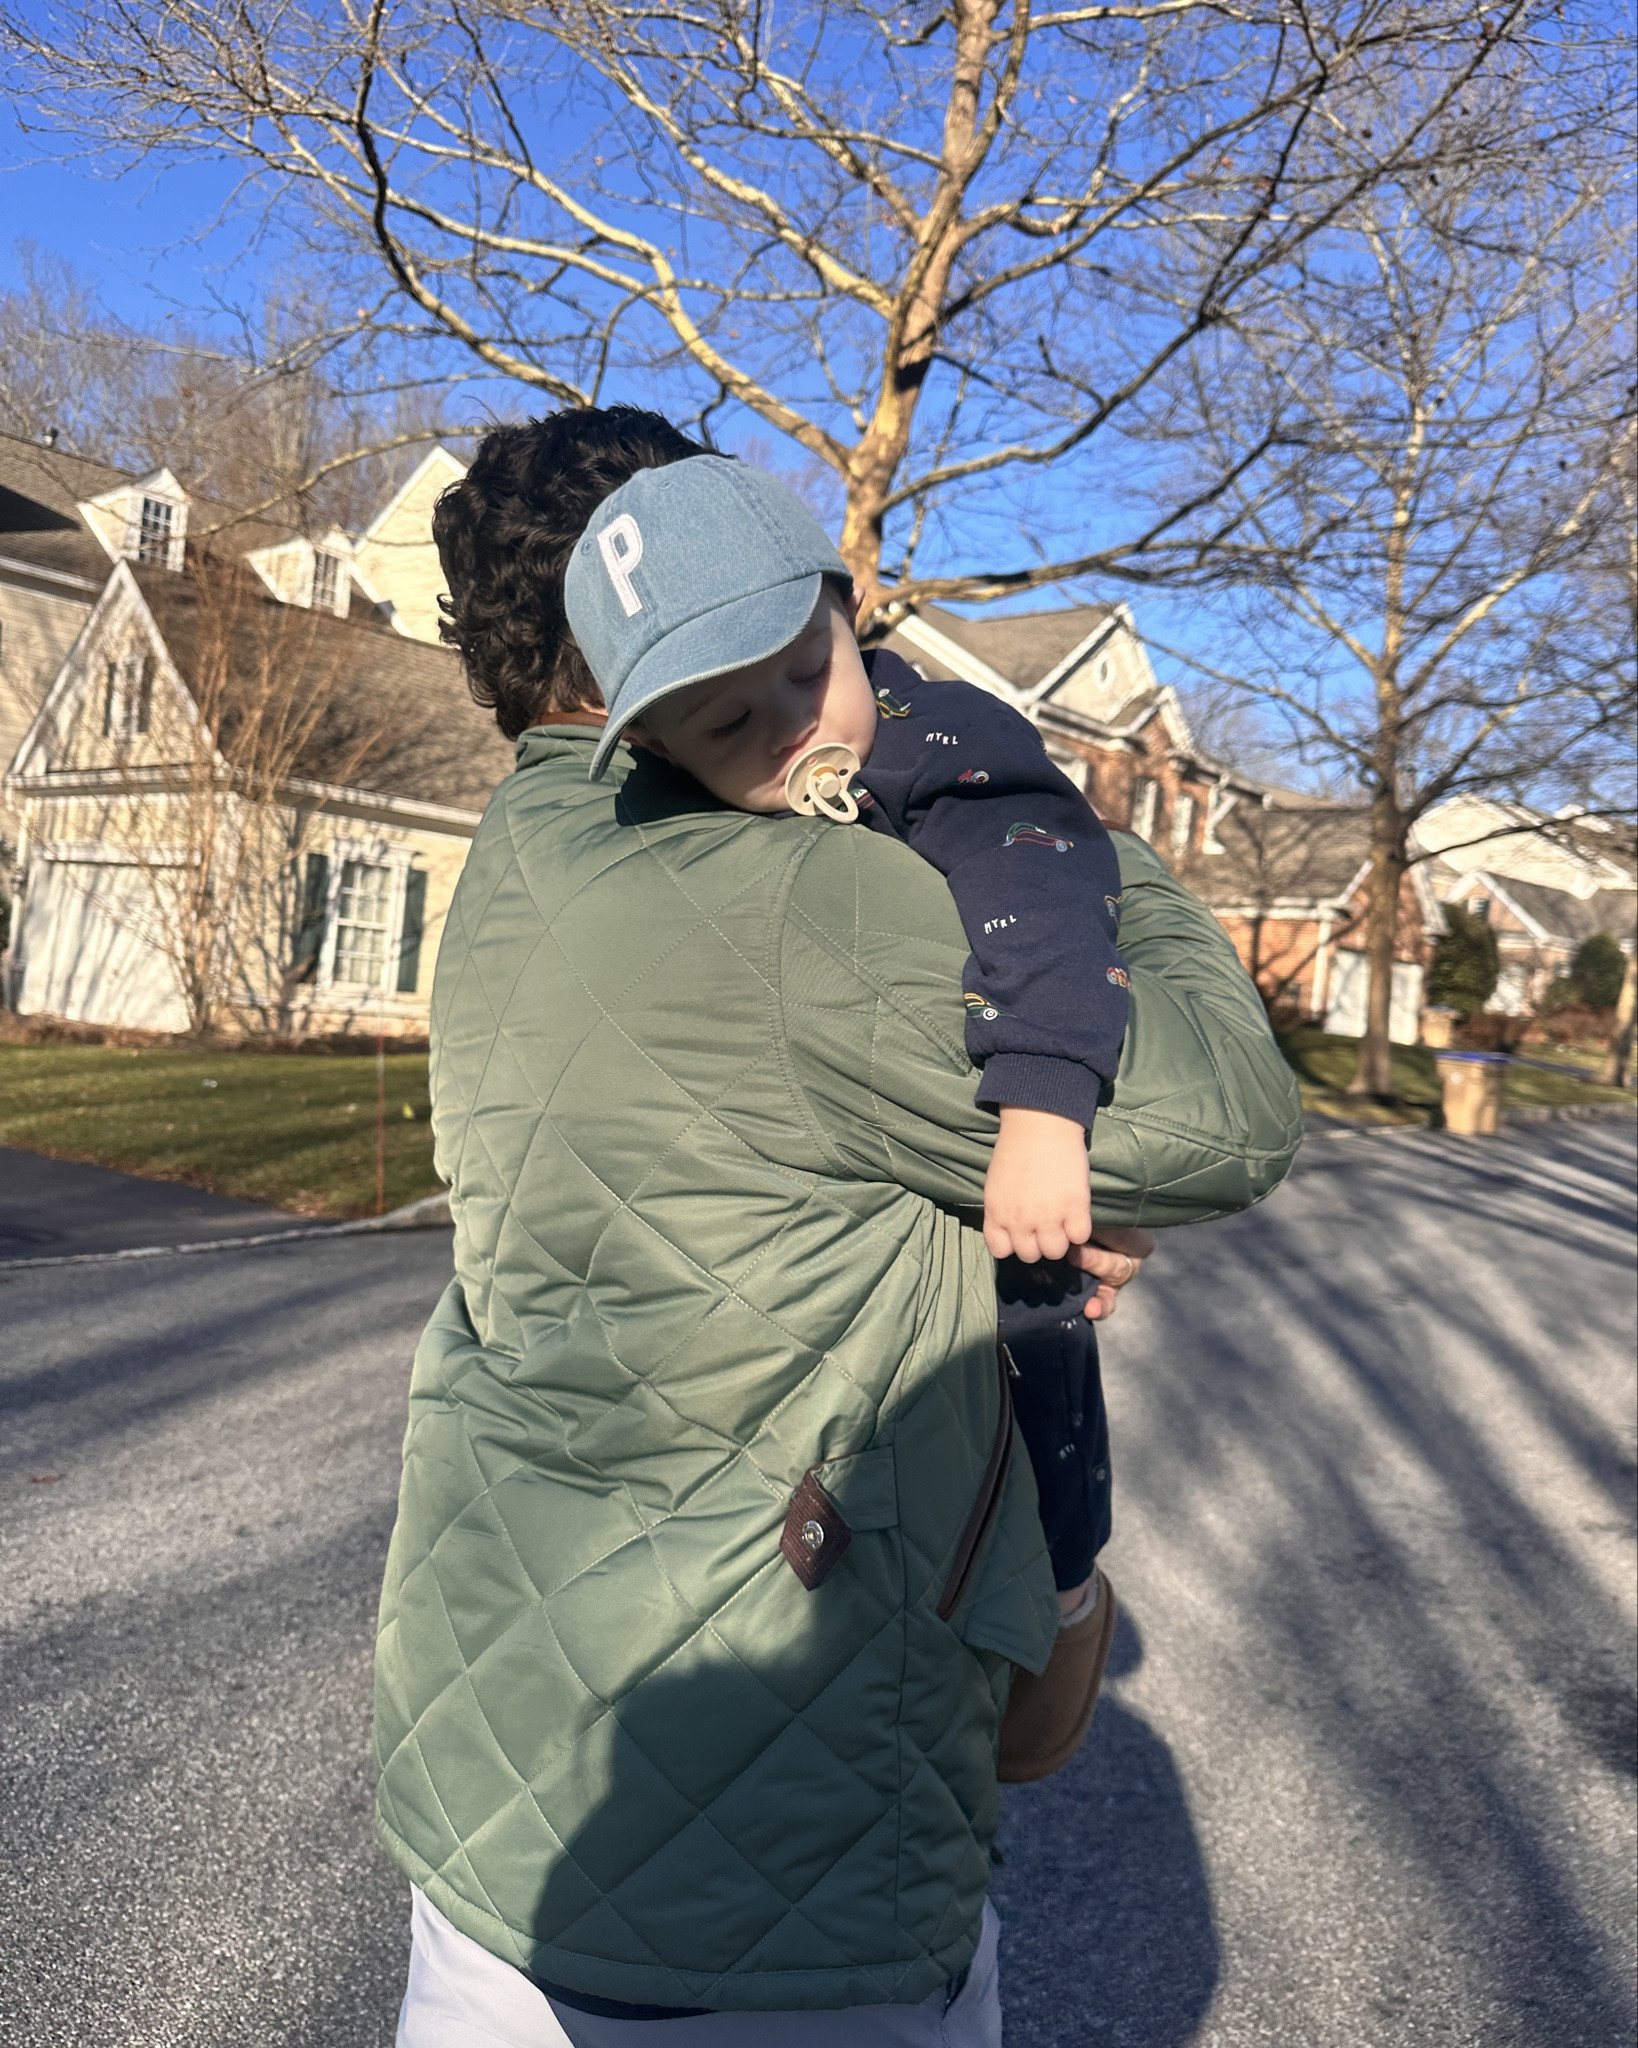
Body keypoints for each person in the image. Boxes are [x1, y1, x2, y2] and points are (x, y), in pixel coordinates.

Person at [376, 407, 1302, 2046]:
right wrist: (1041, 815)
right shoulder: (808, 904)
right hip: (775, 1894)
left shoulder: (517, 853)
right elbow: (1224, 1112)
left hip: (496, 1801)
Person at [570, 455, 1131, 1629]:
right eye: (729, 721)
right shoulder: (696, 837)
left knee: (1038, 1362)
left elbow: (1052, 896)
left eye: (808, 670)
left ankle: (1070, 1586)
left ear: (850, 611)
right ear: (667, 750)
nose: (789, 728)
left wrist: (1045, 1106)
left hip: (1001, 1163)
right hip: (850, 1242)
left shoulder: (940, 740)